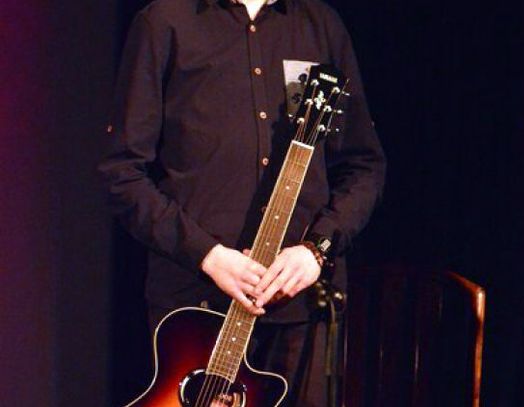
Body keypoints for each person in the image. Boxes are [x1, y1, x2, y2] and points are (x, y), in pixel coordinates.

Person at [99, 0, 385, 404]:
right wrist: (208, 256)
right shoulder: (164, 21)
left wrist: (316, 249)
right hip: (194, 309)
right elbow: (122, 175)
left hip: (298, 311)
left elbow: (364, 166)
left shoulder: (320, 25)